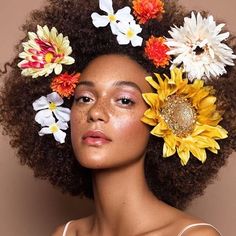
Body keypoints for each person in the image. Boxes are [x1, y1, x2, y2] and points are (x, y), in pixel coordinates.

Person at [0, 0, 236, 235]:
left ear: (163, 118)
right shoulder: (66, 233)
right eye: (84, 98)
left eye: (124, 100)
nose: (95, 113)